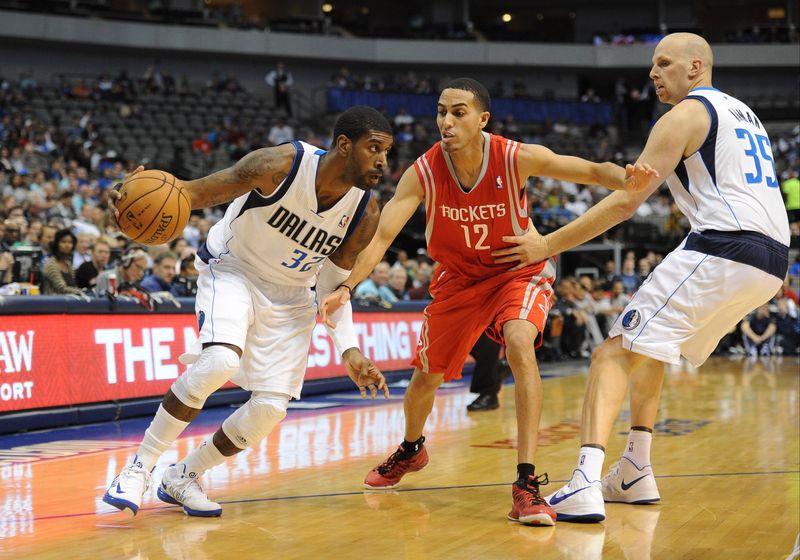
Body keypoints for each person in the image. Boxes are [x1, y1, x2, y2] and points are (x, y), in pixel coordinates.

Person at [321, 78, 650, 526]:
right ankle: (412, 449)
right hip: (458, 281)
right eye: (441, 111)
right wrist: (348, 285)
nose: (446, 121)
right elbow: (381, 236)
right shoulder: (424, 170)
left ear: (482, 119)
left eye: (458, 112)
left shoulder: (514, 156)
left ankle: (525, 484)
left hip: (517, 271)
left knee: (519, 342)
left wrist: (625, 176)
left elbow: (589, 171)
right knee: (425, 380)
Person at [493, 33, 790, 522]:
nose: (653, 73)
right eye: (653, 64)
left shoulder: (684, 116)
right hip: (770, 262)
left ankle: (585, 481)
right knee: (649, 346)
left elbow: (628, 203)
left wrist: (547, 245)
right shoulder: (743, 113)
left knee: (612, 351)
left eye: (664, 63)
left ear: (696, 68)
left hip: (724, 246)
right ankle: (635, 469)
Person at [102, 106, 393, 518]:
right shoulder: (277, 166)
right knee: (220, 360)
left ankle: (183, 475)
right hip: (234, 268)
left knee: (271, 407)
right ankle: (139, 466)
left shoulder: (365, 212)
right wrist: (126, 191)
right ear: (344, 145)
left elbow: (332, 287)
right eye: (374, 148)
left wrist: (349, 349)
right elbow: (189, 192)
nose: (383, 160)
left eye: (387, 151)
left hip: (293, 295)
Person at [41, 228, 82, 295]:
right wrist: (83, 292)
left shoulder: (68, 264)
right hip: (54, 302)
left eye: (70, 242)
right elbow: (62, 288)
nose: (67, 245)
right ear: (56, 244)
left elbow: (73, 285)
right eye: (63, 242)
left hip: (70, 302)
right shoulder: (51, 264)